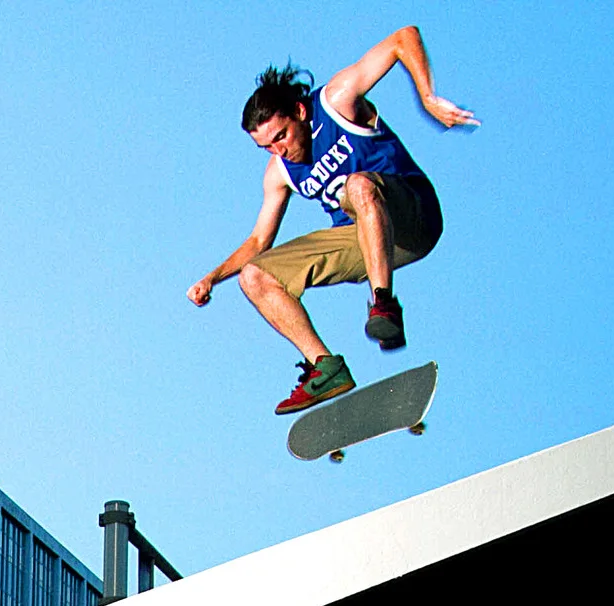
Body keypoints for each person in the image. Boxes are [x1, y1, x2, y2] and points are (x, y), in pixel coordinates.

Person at [187, 26, 479, 415]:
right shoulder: (279, 173)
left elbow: (402, 39)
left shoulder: (337, 100)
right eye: (267, 146)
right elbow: (259, 242)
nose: (280, 151)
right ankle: (325, 368)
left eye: (283, 136)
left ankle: (384, 304)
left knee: (357, 186)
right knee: (256, 276)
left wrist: (427, 97)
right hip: (365, 237)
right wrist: (212, 277)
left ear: (300, 112)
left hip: (413, 214)